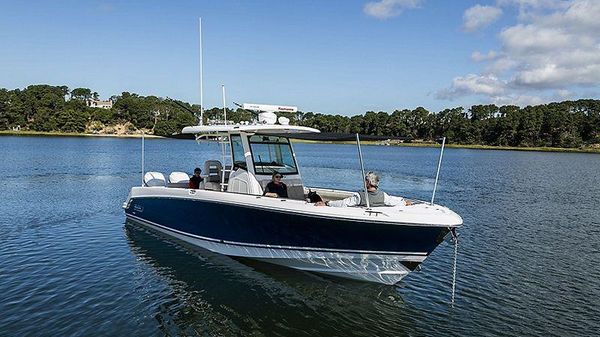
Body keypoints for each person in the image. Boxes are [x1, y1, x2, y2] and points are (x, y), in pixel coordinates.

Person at [315, 171, 412, 207]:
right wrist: (405, 202)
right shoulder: (383, 196)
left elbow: (344, 203)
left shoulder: (359, 196)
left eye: (365, 180)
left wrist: (327, 203)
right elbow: (393, 201)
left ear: (368, 182)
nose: (364, 182)